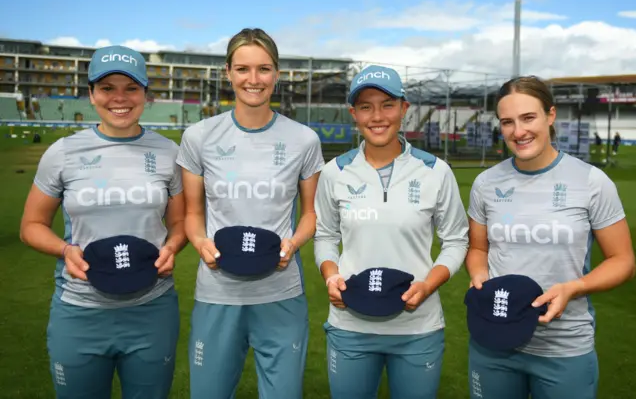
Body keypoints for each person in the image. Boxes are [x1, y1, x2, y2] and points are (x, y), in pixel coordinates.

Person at [19, 45, 186, 399]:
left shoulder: (169, 153)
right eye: (107, 88)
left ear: (146, 95)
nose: (119, 98)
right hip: (80, 312)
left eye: (131, 88)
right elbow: (31, 225)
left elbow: (181, 222)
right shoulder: (62, 153)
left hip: (151, 309)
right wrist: (65, 249)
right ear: (92, 94)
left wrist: (172, 246)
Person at [465, 75, 636, 399]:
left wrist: (575, 287)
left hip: (565, 346)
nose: (518, 131)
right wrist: (479, 275)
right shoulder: (486, 183)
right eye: (507, 122)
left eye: (528, 117)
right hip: (494, 337)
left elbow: (623, 261)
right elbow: (477, 247)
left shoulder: (591, 181)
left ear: (550, 115)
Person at [177, 27, 325, 399]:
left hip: (280, 291)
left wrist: (293, 242)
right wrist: (199, 241)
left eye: (264, 69)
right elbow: (192, 214)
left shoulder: (303, 139)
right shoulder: (199, 136)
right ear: (228, 72)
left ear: (277, 74)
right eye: (243, 69)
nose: (253, 79)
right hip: (217, 291)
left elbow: (311, 214)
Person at [313, 65, 470, 399]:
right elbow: (325, 235)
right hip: (350, 324)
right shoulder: (334, 173)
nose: (377, 116)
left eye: (387, 104)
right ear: (353, 113)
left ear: (404, 109)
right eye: (366, 107)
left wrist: (429, 283)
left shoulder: (436, 172)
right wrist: (330, 275)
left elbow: (456, 240)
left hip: (418, 327)